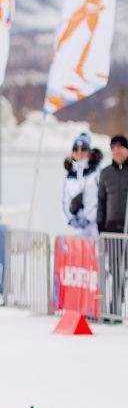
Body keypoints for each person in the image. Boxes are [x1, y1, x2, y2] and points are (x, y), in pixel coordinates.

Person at [96, 135, 128, 318]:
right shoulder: (106, 173)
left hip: (127, 231)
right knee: (116, 271)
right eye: (113, 147)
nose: (117, 150)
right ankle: (115, 308)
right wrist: (101, 227)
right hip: (112, 231)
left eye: (120, 147)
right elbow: (101, 202)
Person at [61, 132, 101, 237]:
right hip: (75, 227)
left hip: (93, 226)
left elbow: (99, 199)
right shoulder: (69, 175)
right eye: (76, 149)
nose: (79, 152)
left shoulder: (96, 173)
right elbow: (64, 200)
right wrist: (70, 219)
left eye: (83, 149)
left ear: (89, 152)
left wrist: (89, 218)